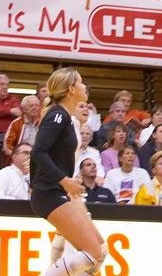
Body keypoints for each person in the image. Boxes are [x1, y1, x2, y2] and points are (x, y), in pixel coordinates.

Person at [30, 67, 107, 276]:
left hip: (55, 192)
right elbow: (37, 152)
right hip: (49, 193)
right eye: (81, 82)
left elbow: (39, 155)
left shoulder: (64, 116)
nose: (84, 86)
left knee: (100, 250)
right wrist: (64, 180)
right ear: (71, 89)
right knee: (92, 253)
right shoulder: (57, 115)